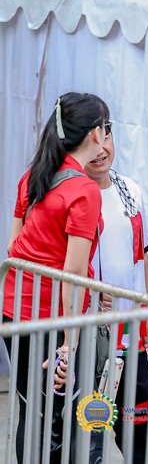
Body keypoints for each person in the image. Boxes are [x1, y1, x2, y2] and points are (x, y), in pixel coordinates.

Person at [3, 92, 107, 463]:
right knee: (59, 418)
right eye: (106, 127)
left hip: (16, 312)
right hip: (53, 319)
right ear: (95, 133)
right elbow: (73, 273)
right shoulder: (84, 190)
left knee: (33, 409)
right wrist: (69, 342)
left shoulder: (33, 176)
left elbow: (14, 245)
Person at [84, 121, 148, 462]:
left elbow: (142, 254)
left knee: (139, 434)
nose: (100, 149)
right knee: (89, 434)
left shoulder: (130, 189)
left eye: (105, 136)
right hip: (89, 340)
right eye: (90, 140)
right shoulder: (69, 194)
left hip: (132, 338)